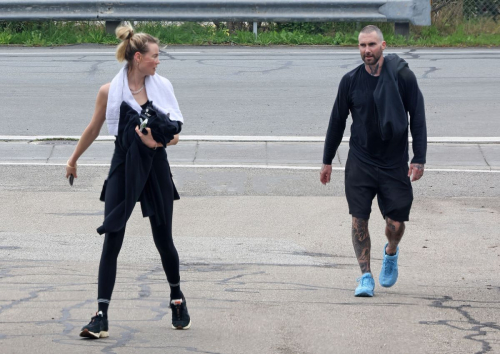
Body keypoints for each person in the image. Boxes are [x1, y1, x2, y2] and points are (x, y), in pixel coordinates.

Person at [65, 24, 191, 338]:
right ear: (138, 58)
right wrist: (73, 158)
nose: (158, 61)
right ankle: (101, 315)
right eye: (155, 56)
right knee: (113, 240)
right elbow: (94, 128)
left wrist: (156, 144)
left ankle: (177, 299)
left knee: (164, 239)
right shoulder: (110, 91)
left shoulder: (162, 87)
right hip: (123, 165)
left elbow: (175, 133)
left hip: (155, 165)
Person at [320, 25, 427, 297]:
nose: (367, 50)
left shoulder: (402, 76)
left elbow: (418, 114)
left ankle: (391, 252)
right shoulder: (350, 81)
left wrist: (419, 157)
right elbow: (336, 122)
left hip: (393, 161)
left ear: (383, 45)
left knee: (396, 224)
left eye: (371, 45)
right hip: (361, 160)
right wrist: (327, 160)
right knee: (359, 220)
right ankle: (365, 276)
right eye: (362, 45)